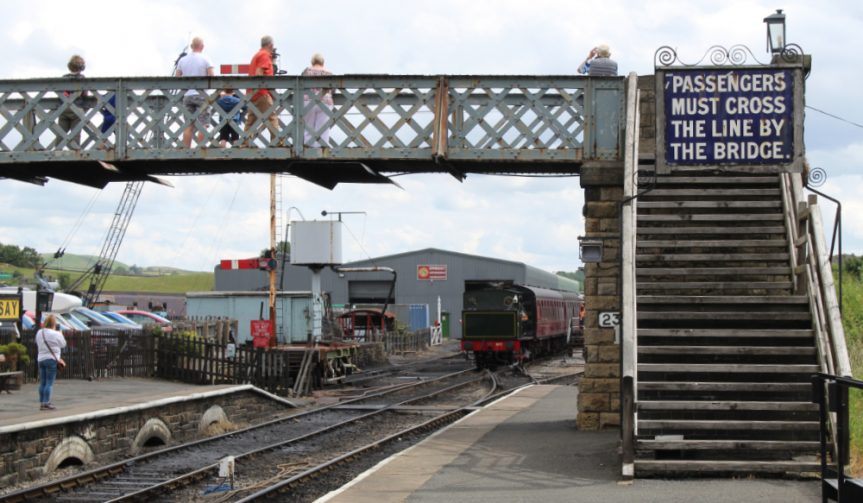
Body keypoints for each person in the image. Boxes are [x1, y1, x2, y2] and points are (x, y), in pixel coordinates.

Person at [175, 37, 215, 147]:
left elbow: (177, 77)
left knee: (188, 125)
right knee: (204, 124)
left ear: (192, 46)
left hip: (187, 95)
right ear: (202, 46)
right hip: (201, 95)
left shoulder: (182, 60)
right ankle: (200, 148)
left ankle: (186, 150)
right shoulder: (206, 59)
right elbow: (212, 76)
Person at [243, 35, 280, 146]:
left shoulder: (257, 55)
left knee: (251, 120)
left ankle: (245, 143)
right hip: (261, 92)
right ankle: (277, 142)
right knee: (272, 117)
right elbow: (259, 72)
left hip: (252, 93)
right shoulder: (264, 55)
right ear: (271, 45)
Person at [51, 55, 89, 150]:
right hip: (76, 108)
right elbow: (85, 94)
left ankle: (58, 150)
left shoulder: (63, 78)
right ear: (82, 67)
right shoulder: (82, 78)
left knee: (61, 133)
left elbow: (60, 93)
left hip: (63, 108)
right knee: (75, 134)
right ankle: (75, 150)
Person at [301, 53, 334, 147]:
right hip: (325, 101)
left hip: (308, 101)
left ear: (313, 61)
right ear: (322, 62)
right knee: (323, 128)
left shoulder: (307, 71)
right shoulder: (328, 72)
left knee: (308, 127)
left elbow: (301, 85)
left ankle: (308, 148)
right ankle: (322, 148)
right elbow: (332, 89)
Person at [36, 314, 66, 410]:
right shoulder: (56, 334)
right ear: (54, 324)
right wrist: (60, 334)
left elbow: (37, 342)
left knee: (43, 382)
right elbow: (63, 344)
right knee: (49, 382)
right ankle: (46, 403)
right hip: (51, 360)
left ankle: (42, 403)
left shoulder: (40, 332)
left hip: (41, 359)